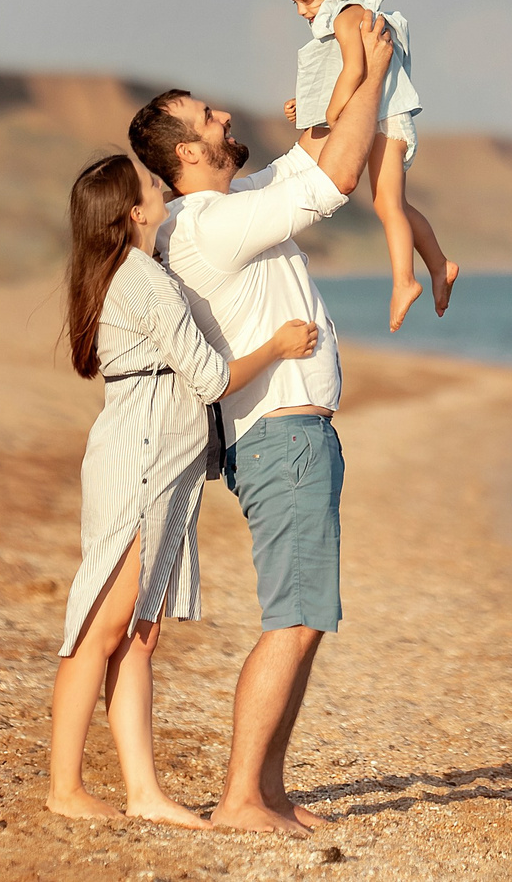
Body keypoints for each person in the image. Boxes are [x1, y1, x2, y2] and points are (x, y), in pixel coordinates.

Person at [125, 13, 393, 836]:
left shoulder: (230, 202)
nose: (225, 118)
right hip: (281, 433)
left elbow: (313, 154)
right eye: (208, 118)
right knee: (296, 614)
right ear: (185, 154)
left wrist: (347, 69)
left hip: (289, 433)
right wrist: (378, 74)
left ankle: (268, 791)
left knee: (306, 616)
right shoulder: (206, 225)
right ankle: (243, 795)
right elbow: (335, 178)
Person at [44, 152, 320, 826]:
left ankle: (143, 791)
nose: (158, 184)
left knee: (139, 634)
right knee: (100, 627)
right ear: (133, 212)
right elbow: (210, 377)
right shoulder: (140, 278)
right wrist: (279, 346)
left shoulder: (143, 272)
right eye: (148, 184)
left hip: (159, 464)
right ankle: (65, 787)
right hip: (139, 461)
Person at [278, 0, 456, 330]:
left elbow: (355, 70)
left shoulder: (345, 14)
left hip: (388, 119)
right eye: (294, 2)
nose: (300, 10)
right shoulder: (349, 12)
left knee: (386, 205)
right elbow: (336, 76)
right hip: (384, 117)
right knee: (398, 205)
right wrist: (305, 106)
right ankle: (440, 265)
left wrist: (331, 111)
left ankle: (405, 282)